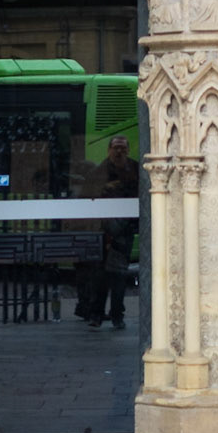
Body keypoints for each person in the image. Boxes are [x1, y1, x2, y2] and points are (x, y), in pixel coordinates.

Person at [84, 133, 139, 331]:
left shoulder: (134, 168)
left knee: (119, 276)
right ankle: (96, 314)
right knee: (99, 276)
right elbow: (88, 194)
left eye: (123, 148)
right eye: (116, 147)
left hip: (124, 229)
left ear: (128, 150)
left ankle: (117, 315)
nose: (119, 151)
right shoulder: (99, 171)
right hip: (103, 229)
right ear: (109, 150)